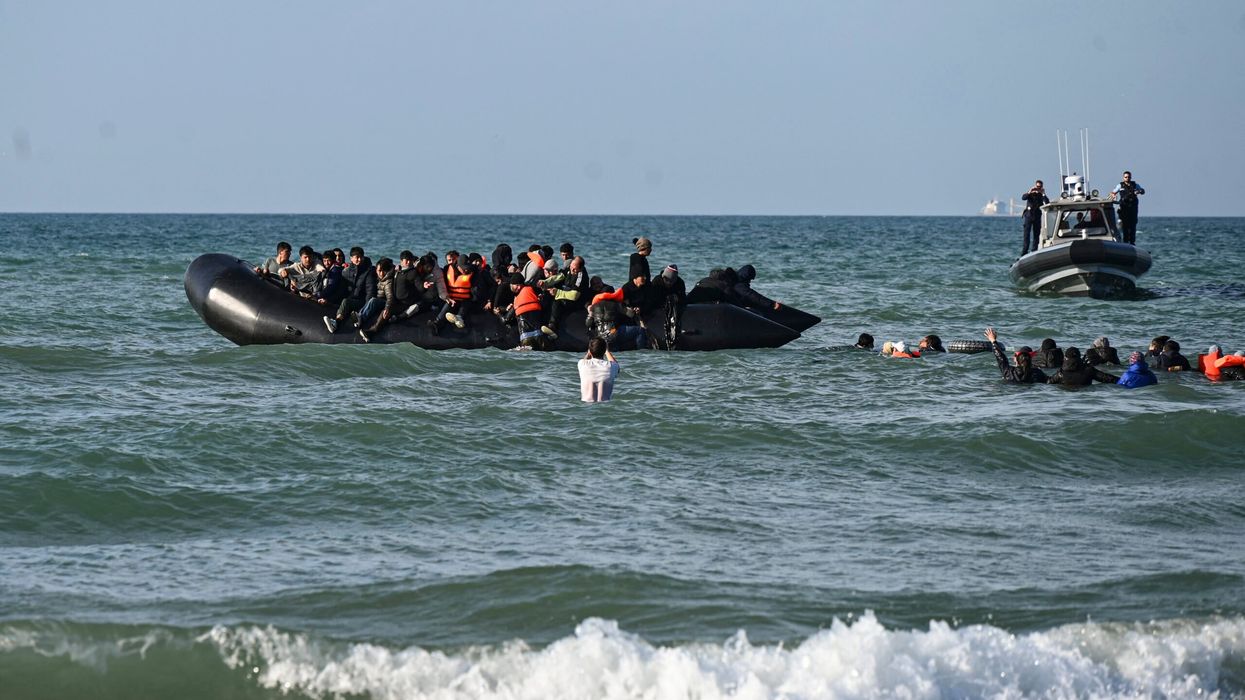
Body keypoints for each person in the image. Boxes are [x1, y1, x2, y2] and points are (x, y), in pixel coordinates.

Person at [323, 247, 376, 333]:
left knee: (346, 302)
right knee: (344, 301)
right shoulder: (346, 271)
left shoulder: (368, 271)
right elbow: (341, 290)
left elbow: (370, 291)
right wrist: (328, 300)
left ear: (363, 257)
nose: (358, 259)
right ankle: (337, 318)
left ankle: (336, 323)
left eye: (360, 257)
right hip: (351, 299)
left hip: (362, 301)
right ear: (351, 258)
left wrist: (365, 309)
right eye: (356, 257)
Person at [540, 255, 590, 338]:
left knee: (557, 301)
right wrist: (545, 282)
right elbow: (557, 277)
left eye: (575, 269)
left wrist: (557, 293)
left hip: (578, 301)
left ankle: (553, 327)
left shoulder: (581, 276)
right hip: (566, 295)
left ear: (580, 269)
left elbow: (575, 295)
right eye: (571, 267)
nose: (572, 270)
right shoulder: (569, 269)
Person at [358, 258, 397, 342]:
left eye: (383, 271)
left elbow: (390, 297)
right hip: (380, 299)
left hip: (384, 302)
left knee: (373, 301)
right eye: (379, 271)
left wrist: (387, 308)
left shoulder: (388, 281)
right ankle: (359, 316)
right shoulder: (379, 276)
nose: (381, 273)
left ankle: (361, 318)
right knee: (371, 300)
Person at [1047, 347, 1119, 386]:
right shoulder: (1089, 370)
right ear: (1079, 357)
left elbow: (1048, 383)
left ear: (1065, 358)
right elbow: (1107, 378)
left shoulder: (1060, 373)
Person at [578, 337, 620, 402]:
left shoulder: (582, 364)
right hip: (605, 407)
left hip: (586, 407)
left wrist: (589, 352)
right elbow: (617, 367)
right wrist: (607, 351)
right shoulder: (611, 366)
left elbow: (585, 359)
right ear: (604, 351)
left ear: (590, 351)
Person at [1110, 171, 1145, 245]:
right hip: (1124, 207)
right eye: (1126, 177)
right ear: (1123, 178)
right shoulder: (1120, 185)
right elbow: (1113, 192)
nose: (1127, 178)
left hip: (1133, 208)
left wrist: (1139, 191)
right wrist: (1113, 196)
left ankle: (1132, 242)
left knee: (1133, 224)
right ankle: (1125, 242)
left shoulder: (1135, 185)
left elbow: (1142, 191)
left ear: (1130, 177)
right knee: (1125, 225)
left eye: (1129, 177)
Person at [1020, 180, 1048, 256]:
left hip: (1037, 217)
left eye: (1040, 187)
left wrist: (1043, 194)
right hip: (1029, 216)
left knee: (1036, 235)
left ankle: (1034, 250)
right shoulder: (1030, 194)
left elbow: (1047, 202)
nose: (1038, 188)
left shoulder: (1041, 195)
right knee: (1026, 235)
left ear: (1042, 187)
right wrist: (1030, 191)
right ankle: (1024, 252)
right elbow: (1023, 198)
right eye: (1037, 187)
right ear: (1035, 186)